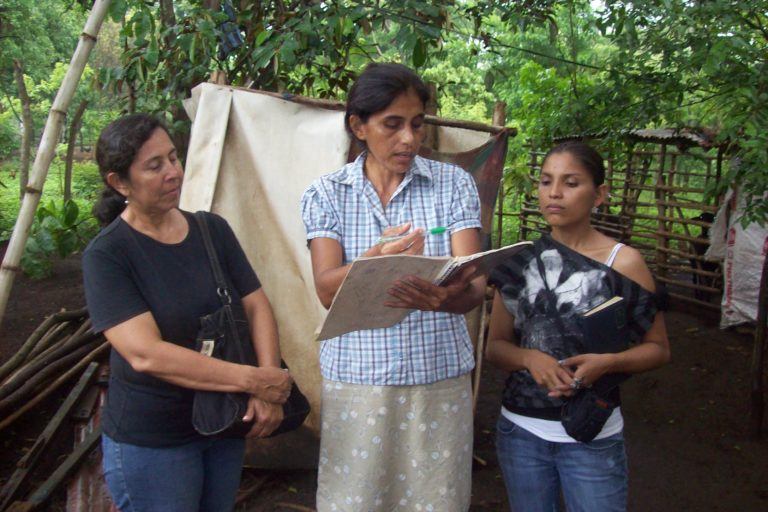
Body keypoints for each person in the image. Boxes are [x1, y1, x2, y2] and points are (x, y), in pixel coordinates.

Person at [82, 114, 293, 512]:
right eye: (154, 165)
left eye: (173, 158)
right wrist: (254, 380)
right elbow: (146, 353)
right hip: (154, 438)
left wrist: (268, 388)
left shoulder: (211, 230)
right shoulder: (108, 255)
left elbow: (256, 304)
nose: (172, 172)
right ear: (119, 182)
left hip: (223, 425)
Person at [300, 62, 486, 512]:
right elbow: (327, 289)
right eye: (392, 124)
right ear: (358, 127)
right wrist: (372, 262)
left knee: (435, 499)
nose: (408, 138)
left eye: (417, 124)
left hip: (437, 377)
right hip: (359, 380)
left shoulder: (453, 185)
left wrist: (447, 299)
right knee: (357, 500)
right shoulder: (327, 193)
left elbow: (474, 283)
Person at [486, 141, 671, 512]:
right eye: (545, 181)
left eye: (571, 183)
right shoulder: (520, 262)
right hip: (521, 433)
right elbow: (495, 347)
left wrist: (608, 363)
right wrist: (528, 358)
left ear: (599, 194)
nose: (554, 193)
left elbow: (659, 349)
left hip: (594, 434)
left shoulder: (624, 263)